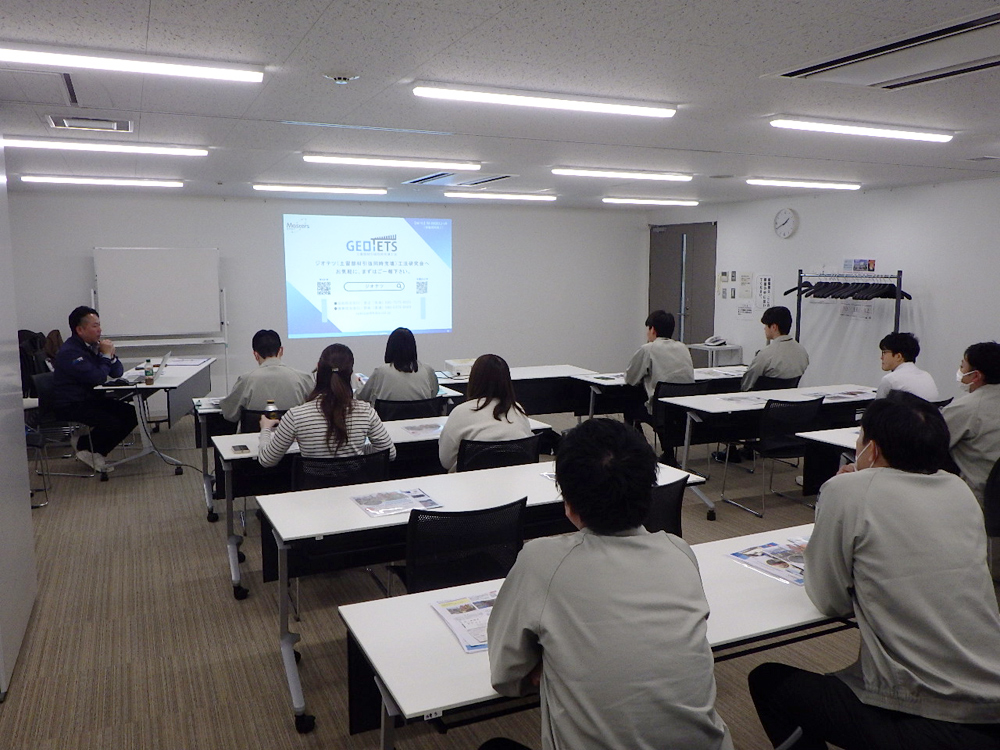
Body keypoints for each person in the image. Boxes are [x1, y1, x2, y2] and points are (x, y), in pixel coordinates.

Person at [749, 392, 1000, 750]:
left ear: (873, 450)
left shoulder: (847, 490)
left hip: (934, 716)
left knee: (769, 682)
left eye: (860, 437)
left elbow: (830, 600)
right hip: (991, 695)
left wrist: (842, 490)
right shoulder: (959, 490)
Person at [483, 418, 733, 750]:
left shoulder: (542, 562)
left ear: (568, 501)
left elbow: (505, 676)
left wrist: (551, 667)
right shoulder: (679, 550)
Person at [258, 343, 395, 467]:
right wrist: (358, 450)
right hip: (354, 486)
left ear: (318, 368)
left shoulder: (295, 416)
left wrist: (265, 429)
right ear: (351, 374)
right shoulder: (366, 412)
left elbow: (266, 460)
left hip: (313, 487)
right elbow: (390, 453)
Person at [715, 306, 810, 463]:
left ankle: (731, 450)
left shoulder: (766, 354)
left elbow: (747, 383)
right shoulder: (802, 352)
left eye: (766, 326)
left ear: (774, 327)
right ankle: (748, 448)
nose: (764, 329)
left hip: (755, 414)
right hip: (783, 411)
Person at [51, 305, 137, 473]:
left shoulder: (92, 346)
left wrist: (110, 356)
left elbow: (117, 372)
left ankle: (89, 448)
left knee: (131, 414)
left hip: (89, 398)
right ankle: (88, 448)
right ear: (80, 330)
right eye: (95, 326)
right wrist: (105, 356)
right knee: (112, 423)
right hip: (70, 403)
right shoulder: (71, 352)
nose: (100, 330)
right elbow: (97, 377)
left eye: (99, 325)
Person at [438, 354, 532, 472]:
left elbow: (446, 460)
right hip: (516, 478)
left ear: (474, 379)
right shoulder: (517, 409)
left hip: (469, 481)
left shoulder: (460, 412)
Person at [942, 341, 1000, 504]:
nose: (960, 372)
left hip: (978, 502)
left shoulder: (966, 408)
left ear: (976, 376)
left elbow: (928, 445)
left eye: (962, 367)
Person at [219, 329, 313, 423]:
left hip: (254, 432)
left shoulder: (246, 380)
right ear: (281, 350)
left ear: (256, 354)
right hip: (293, 432)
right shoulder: (303, 379)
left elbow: (229, 414)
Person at [623, 309, 694, 421]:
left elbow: (630, 379)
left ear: (652, 330)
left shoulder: (648, 349)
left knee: (629, 404)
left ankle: (635, 433)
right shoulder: (683, 347)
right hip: (684, 409)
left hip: (660, 410)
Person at [356, 327, 439, 404]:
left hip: (387, 415)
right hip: (423, 415)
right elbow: (433, 394)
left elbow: (361, 397)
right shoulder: (428, 370)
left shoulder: (381, 372)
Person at [873, 331, 939, 401]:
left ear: (898, 356)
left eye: (884, 352)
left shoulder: (890, 379)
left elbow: (877, 406)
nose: (881, 357)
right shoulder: (927, 375)